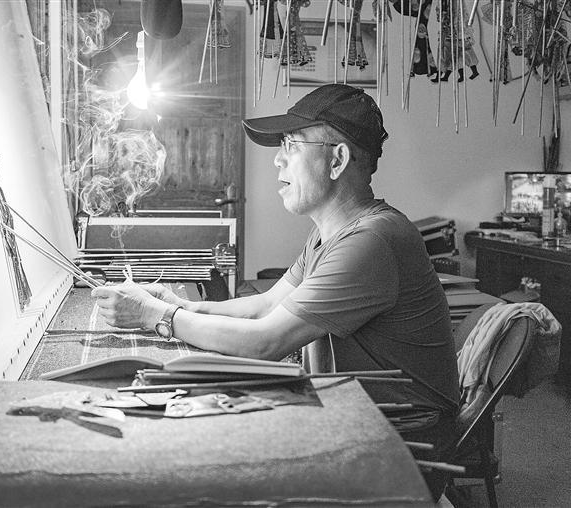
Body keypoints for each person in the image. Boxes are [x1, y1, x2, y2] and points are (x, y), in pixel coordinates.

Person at [91, 84, 459, 501]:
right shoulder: (330, 234)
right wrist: (183, 305)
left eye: (292, 145)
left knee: (211, 469)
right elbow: (266, 306)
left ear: (337, 160)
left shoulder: (372, 240)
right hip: (360, 418)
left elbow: (266, 342)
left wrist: (155, 317)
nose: (278, 159)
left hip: (404, 444)